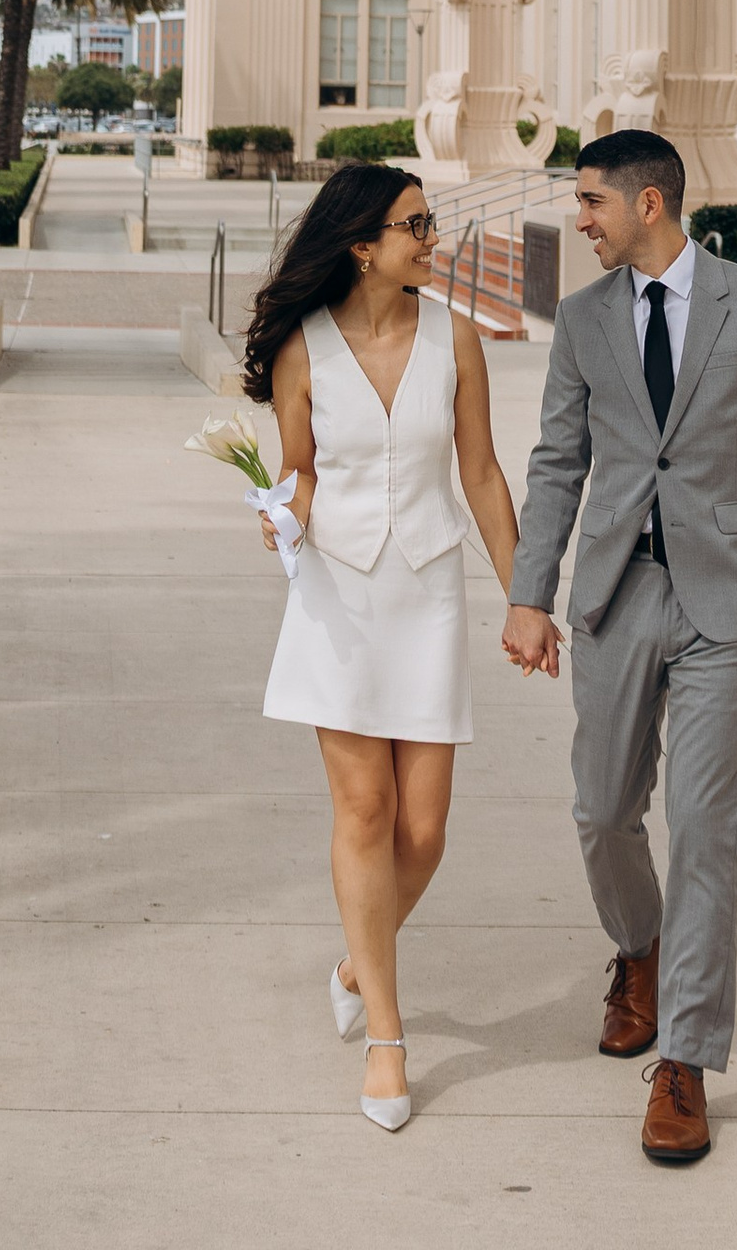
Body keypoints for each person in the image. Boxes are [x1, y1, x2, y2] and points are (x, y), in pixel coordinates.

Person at [501, 127, 737, 1168]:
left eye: (592, 200)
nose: (581, 217)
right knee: (603, 811)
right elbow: (558, 463)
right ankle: (638, 952)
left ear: (648, 205)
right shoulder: (582, 318)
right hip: (614, 595)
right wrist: (530, 595)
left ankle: (686, 1060)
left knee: (706, 827)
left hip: (726, 605)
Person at [244, 159, 526, 1134]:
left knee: (424, 832)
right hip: (337, 599)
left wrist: (523, 596)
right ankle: (388, 1038)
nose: (432, 238)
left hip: (429, 594)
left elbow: (482, 473)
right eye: (416, 225)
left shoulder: (455, 337)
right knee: (364, 811)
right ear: (363, 245)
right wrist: (282, 518)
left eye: (431, 221)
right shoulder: (300, 350)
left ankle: (353, 961)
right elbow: (300, 474)